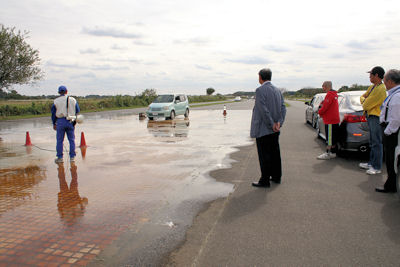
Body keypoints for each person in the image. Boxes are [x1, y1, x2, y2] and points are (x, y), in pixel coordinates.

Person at [250, 68, 286, 188]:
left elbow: (263, 110)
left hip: (264, 129)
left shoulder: (260, 90)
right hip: (275, 129)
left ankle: (264, 180)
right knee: (275, 154)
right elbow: (283, 108)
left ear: (260, 77)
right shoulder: (277, 90)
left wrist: (271, 124)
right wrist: (279, 123)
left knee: (264, 155)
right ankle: (276, 177)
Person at [375, 69, 400, 193]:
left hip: (392, 133)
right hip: (391, 131)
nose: (384, 83)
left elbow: (395, 119)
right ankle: (391, 184)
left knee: (391, 160)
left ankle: (391, 186)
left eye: (385, 81)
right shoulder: (393, 94)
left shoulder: (397, 96)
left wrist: (387, 132)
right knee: (390, 161)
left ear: (390, 81)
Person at [359, 66, 387, 174]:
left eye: (371, 75)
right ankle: (371, 163)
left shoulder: (381, 89)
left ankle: (377, 167)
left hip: (376, 117)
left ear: (376, 75)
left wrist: (364, 101)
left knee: (377, 142)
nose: (369, 77)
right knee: (372, 141)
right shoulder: (372, 87)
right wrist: (364, 100)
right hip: (370, 116)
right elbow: (363, 97)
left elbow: (366, 105)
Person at [51, 85, 80, 163]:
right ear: (66, 91)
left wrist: (54, 123)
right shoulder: (73, 100)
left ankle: (60, 158)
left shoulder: (56, 101)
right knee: (71, 140)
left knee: (60, 140)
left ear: (59, 92)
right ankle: (72, 157)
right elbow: (77, 110)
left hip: (60, 121)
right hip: (70, 120)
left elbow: (53, 114)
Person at [316, 81, 340, 160]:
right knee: (333, 138)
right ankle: (333, 152)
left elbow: (325, 107)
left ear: (326, 86)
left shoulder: (329, 95)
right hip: (335, 119)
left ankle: (328, 153)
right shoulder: (335, 94)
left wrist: (319, 112)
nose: (322, 88)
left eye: (323, 86)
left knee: (329, 138)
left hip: (330, 120)